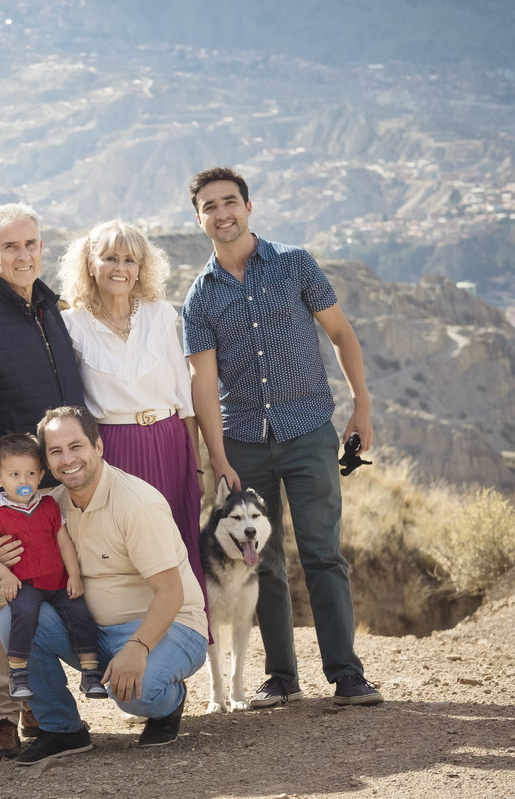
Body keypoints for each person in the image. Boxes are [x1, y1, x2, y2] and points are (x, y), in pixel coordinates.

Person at [181, 166, 383, 708]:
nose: (221, 213)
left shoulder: (295, 264)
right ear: (198, 218)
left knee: (322, 554)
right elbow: (202, 385)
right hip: (243, 440)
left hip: (308, 430)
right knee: (260, 561)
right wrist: (217, 455)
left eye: (230, 201)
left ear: (248, 206)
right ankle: (281, 678)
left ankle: (346, 674)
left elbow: (340, 333)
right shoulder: (200, 298)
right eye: (210, 206)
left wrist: (361, 405)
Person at [0, 406, 208, 765]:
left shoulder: (136, 504)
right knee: (14, 618)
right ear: (47, 462)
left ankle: (168, 702)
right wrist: (5, 561)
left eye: (76, 446)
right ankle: (62, 730)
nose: (68, 459)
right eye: (55, 451)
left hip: (170, 626)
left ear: (98, 445)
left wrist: (138, 647)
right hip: (93, 632)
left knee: (136, 698)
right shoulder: (54, 509)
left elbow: (171, 592)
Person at [0, 202, 86, 759]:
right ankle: (4, 715)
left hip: (70, 480)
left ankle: (49, 705)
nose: (23, 254)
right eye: (10, 246)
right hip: (17, 491)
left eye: (30, 243)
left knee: (66, 590)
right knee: (8, 599)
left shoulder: (54, 307)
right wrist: (9, 497)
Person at [58, 219, 207, 618]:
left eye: (129, 259)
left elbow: (184, 397)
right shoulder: (71, 324)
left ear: (142, 267)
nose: (119, 268)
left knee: (173, 545)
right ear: (90, 264)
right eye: (109, 258)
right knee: (124, 552)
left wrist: (196, 465)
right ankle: (130, 645)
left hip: (168, 442)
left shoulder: (160, 314)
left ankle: (181, 640)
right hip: (112, 449)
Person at [0, 433, 106, 702]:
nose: (23, 481)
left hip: (58, 581)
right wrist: (5, 574)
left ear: (40, 475)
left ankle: (91, 673)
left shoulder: (48, 505)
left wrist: (74, 576)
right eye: (14, 475)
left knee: (80, 612)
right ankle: (18, 672)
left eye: (30, 473)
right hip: (26, 583)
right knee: (22, 614)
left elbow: (64, 543)